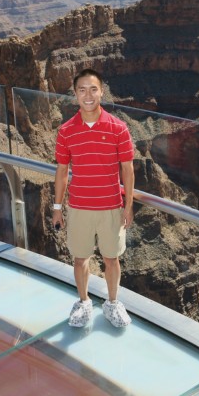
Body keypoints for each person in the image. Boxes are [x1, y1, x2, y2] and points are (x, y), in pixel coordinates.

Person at [52, 68, 135, 328]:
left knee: (112, 259)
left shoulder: (118, 128)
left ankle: (112, 303)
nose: (88, 95)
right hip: (78, 208)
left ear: (102, 91)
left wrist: (128, 206)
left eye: (93, 89)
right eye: (82, 90)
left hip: (111, 206)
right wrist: (57, 207)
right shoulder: (66, 131)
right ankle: (84, 302)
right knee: (80, 259)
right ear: (75, 94)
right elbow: (62, 171)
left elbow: (128, 169)